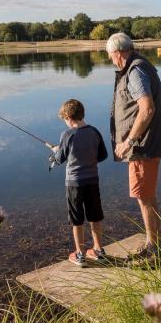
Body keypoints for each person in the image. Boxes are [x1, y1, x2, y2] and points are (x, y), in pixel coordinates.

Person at [106, 32, 161, 260]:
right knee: (146, 195)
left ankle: (155, 251)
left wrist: (129, 141)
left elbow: (147, 109)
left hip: (143, 147)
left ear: (117, 53)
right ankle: (154, 245)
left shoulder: (135, 71)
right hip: (145, 145)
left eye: (110, 56)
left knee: (144, 196)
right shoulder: (139, 66)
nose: (110, 61)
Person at [49, 99, 109, 267]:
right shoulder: (94, 132)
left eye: (65, 120)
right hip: (92, 181)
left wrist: (55, 152)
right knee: (95, 215)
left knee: (76, 219)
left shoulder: (67, 135)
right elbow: (102, 156)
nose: (66, 123)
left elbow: (60, 159)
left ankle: (80, 254)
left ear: (68, 117)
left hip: (74, 183)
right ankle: (98, 250)